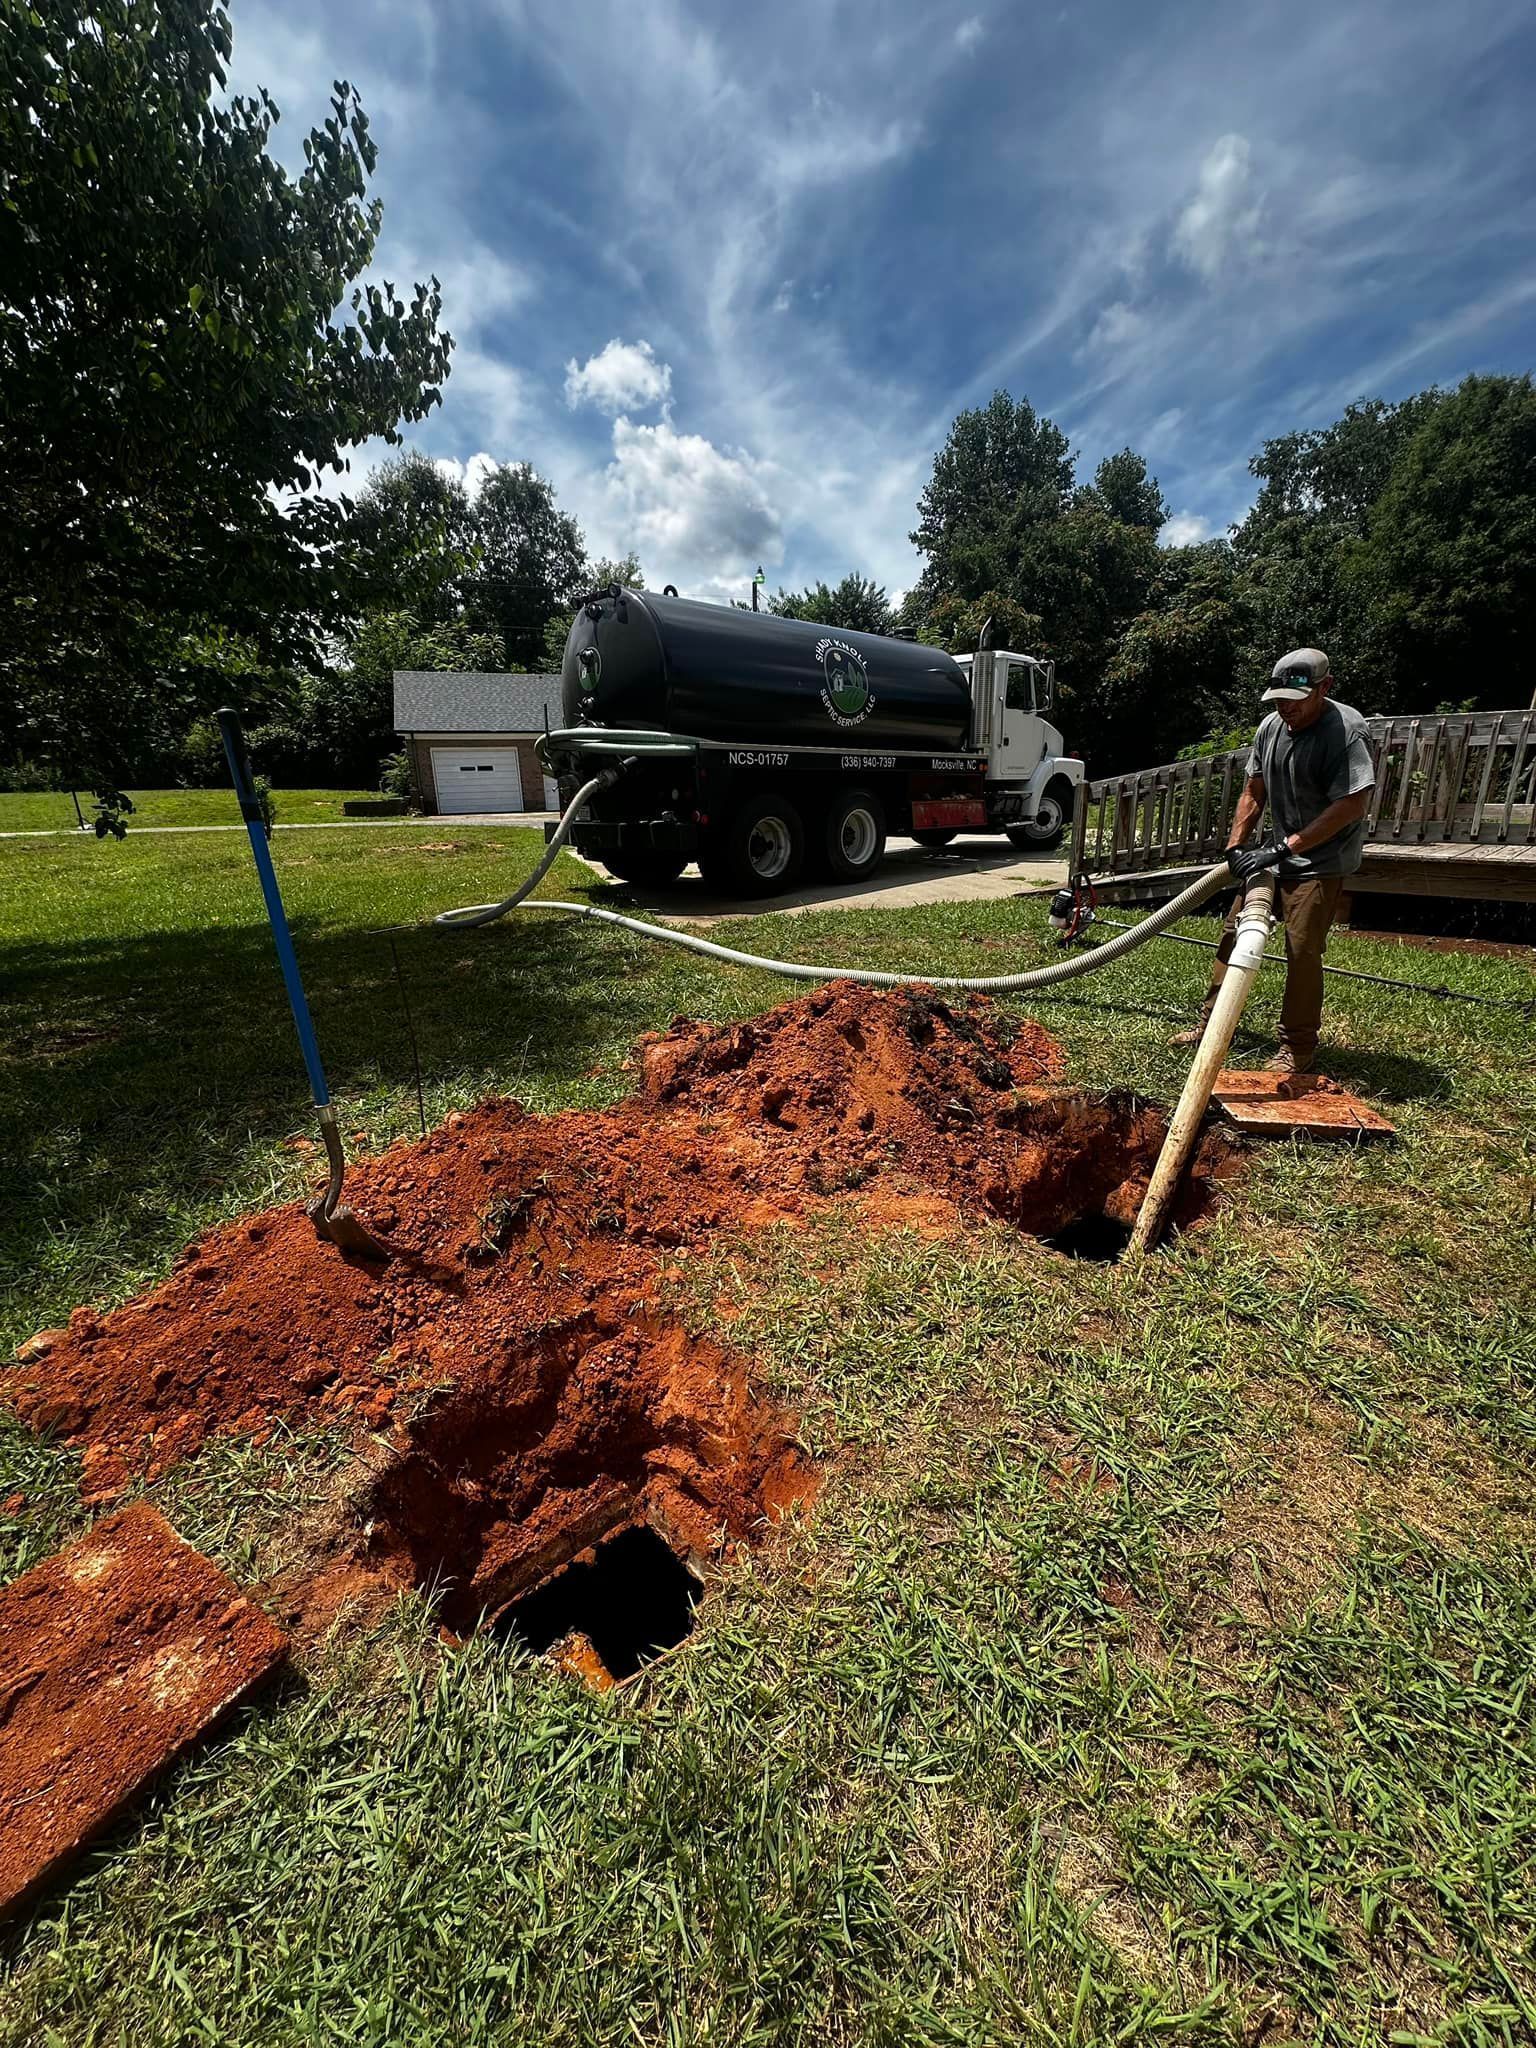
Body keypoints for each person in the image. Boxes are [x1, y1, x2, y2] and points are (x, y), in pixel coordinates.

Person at [1172, 648, 1376, 1075]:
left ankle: (1297, 1048)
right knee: (1233, 934)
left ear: (1325, 688)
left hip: (1322, 860)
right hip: (1273, 854)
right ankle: (1209, 1024)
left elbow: (1352, 805)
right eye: (1279, 699)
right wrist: (1236, 848)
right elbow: (1253, 792)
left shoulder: (1346, 731)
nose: (1286, 709)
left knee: (1302, 949)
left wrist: (1284, 848)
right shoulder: (1272, 727)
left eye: (1295, 701)